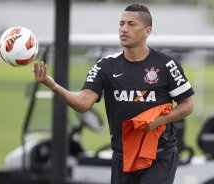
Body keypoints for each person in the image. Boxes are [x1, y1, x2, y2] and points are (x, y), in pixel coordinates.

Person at [33, 3, 194, 184]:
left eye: (132, 24)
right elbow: (83, 104)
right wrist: (53, 85)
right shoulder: (105, 66)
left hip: (159, 156)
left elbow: (187, 105)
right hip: (122, 156)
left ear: (147, 31)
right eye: (121, 23)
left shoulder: (167, 64)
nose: (124, 29)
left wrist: (161, 119)